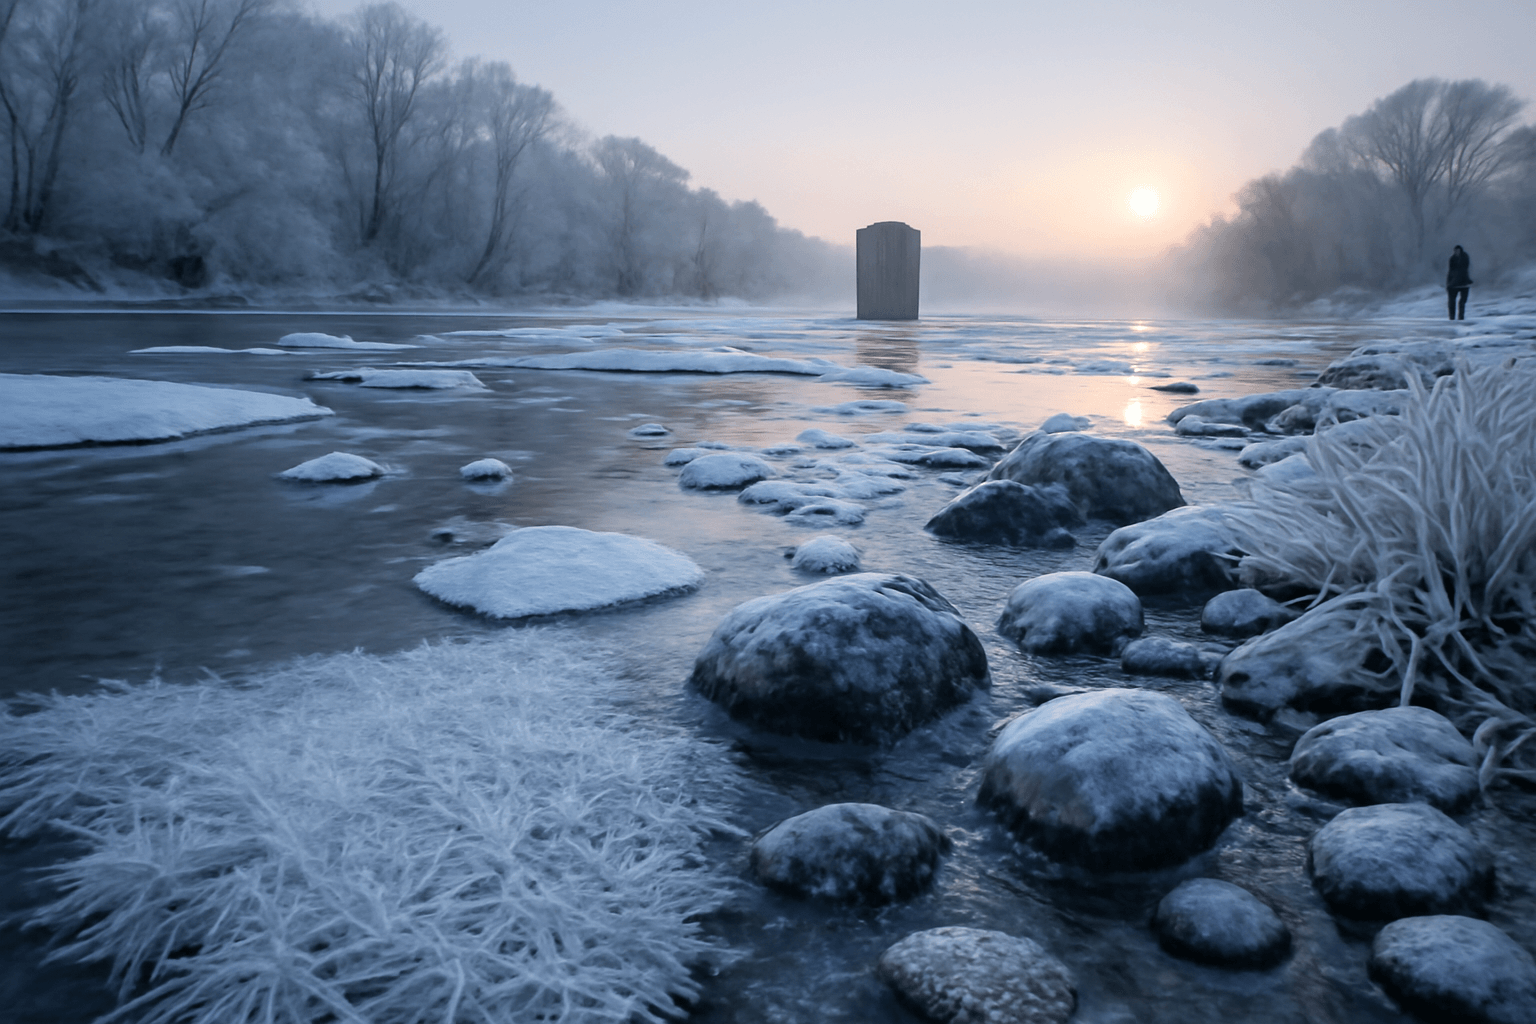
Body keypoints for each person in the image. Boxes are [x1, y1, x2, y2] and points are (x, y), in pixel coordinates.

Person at [1446, 245, 1472, 320]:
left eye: (1458, 251)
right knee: (1452, 302)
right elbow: (1451, 271)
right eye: (1455, 251)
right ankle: (1452, 318)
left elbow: (1464, 270)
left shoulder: (1465, 258)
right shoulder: (1452, 259)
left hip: (1463, 283)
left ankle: (1461, 318)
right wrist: (1449, 282)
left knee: (1462, 302)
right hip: (1453, 284)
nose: (1456, 252)